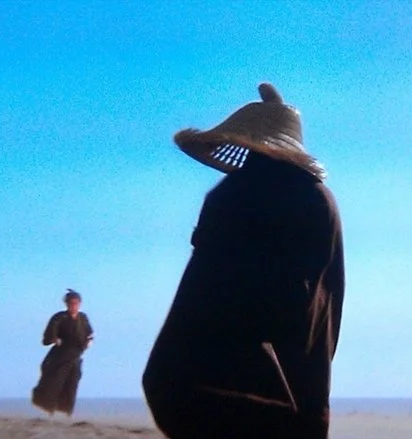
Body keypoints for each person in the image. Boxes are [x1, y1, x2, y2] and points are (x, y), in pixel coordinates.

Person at [143, 83, 345, 439]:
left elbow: (203, 286)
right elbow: (323, 304)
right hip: (296, 375)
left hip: (211, 366)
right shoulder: (320, 201)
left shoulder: (231, 195)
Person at [32, 289, 94, 416]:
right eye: (71, 303)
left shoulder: (83, 318)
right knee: (54, 384)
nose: (74, 306)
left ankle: (65, 414)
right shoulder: (59, 318)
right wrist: (54, 339)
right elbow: (47, 338)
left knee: (72, 385)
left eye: (76, 303)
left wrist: (89, 341)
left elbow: (89, 333)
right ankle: (47, 412)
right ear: (66, 304)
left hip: (75, 357)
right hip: (59, 357)